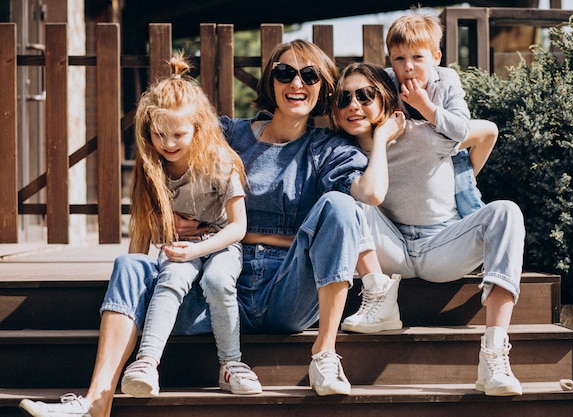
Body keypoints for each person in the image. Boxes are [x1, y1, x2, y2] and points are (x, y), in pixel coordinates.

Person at [18, 39, 397, 417]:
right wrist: (170, 215)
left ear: (323, 87)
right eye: (285, 72)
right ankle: (96, 402)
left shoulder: (328, 149)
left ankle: (324, 354)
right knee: (130, 266)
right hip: (212, 290)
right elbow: (167, 123)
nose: (296, 83)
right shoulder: (229, 135)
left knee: (341, 205)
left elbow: (371, 193)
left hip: (287, 293)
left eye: (309, 74)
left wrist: (380, 137)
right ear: (271, 81)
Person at [333, 13, 525, 398]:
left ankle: (493, 354)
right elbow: (357, 112)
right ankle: (379, 299)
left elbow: (476, 129)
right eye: (399, 59)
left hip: (442, 246)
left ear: (436, 56)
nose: (407, 68)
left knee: (507, 211)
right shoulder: (379, 95)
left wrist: (429, 111)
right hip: (390, 248)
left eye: (418, 58)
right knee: (347, 202)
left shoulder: (445, 89)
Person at [119, 53, 261, 398]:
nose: (168, 144)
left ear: (199, 129)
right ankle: (146, 362)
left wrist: (198, 248)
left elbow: (238, 227)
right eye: (159, 134)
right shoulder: (152, 166)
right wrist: (136, 276)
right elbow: (142, 229)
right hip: (179, 245)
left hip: (220, 242)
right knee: (171, 278)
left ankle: (231, 364)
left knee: (217, 281)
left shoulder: (220, 161)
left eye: (178, 134)